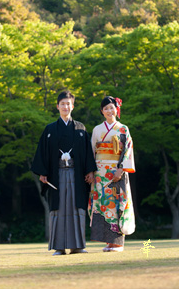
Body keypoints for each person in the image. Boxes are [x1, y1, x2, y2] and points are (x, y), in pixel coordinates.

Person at [31, 91, 97, 255]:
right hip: (56, 175)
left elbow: (87, 152)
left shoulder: (81, 129)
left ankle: (78, 246)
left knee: (77, 209)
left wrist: (90, 171)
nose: (65, 107)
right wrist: (43, 172)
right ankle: (59, 247)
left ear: (73, 106)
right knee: (58, 209)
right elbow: (43, 152)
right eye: (62, 104)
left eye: (68, 104)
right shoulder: (50, 129)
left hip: (76, 174)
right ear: (57, 106)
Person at [88, 96, 135, 252]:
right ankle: (108, 241)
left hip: (117, 171)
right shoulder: (97, 129)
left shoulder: (123, 129)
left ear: (117, 109)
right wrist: (91, 171)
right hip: (100, 173)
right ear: (102, 111)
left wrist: (121, 169)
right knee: (103, 204)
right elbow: (91, 152)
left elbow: (127, 150)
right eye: (105, 108)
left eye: (111, 107)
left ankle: (118, 242)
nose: (109, 110)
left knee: (117, 204)